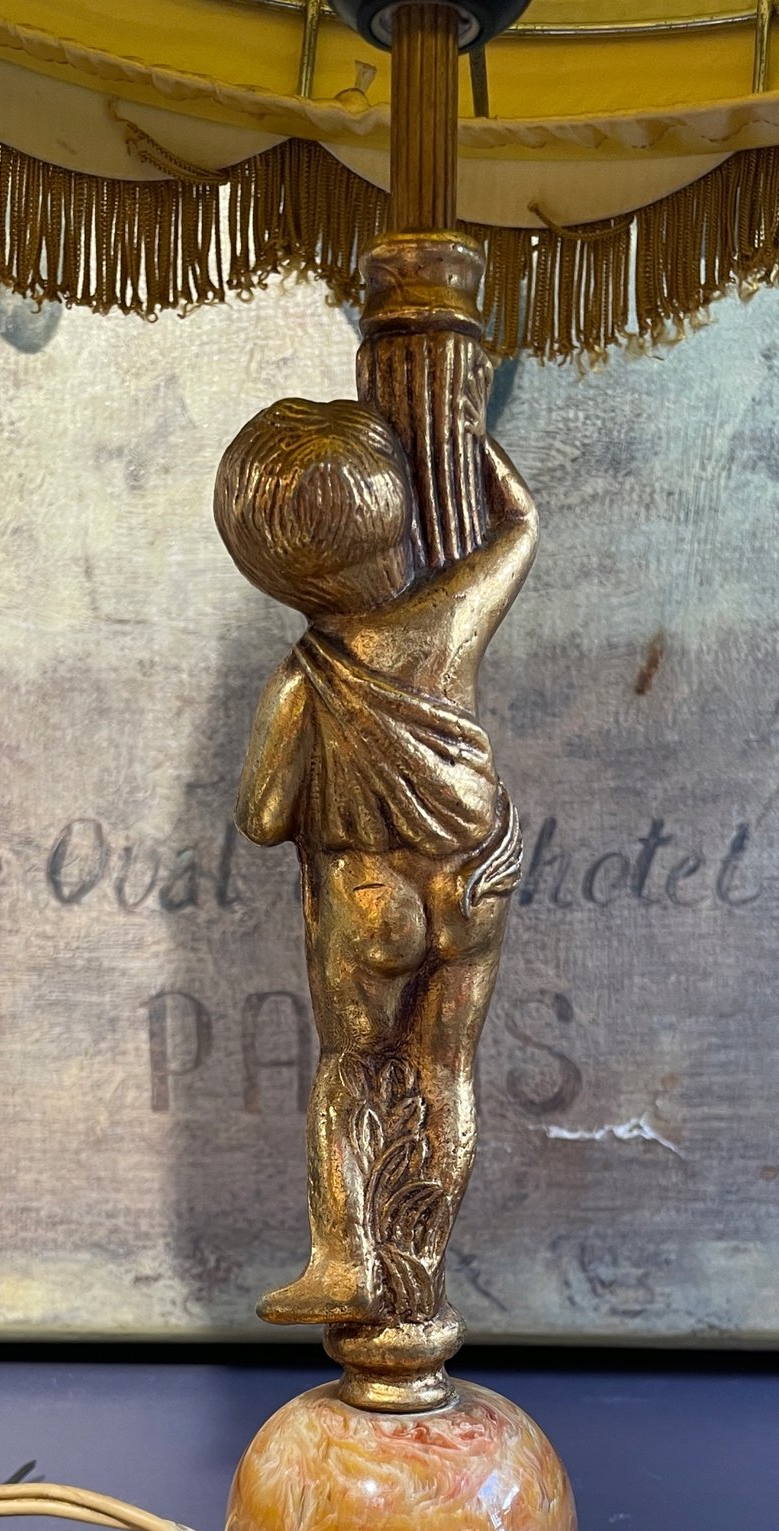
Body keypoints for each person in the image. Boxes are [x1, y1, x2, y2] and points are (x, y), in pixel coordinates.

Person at [215, 395, 537, 1328]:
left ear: (271, 571)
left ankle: (348, 1259)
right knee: (447, 1068)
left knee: (352, 1068)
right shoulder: (447, 615)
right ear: (397, 516)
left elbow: (261, 818)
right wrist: (467, 439)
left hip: (371, 892)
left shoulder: (302, 678)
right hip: (474, 870)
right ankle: (420, 1266)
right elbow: (521, 525)